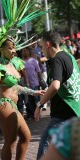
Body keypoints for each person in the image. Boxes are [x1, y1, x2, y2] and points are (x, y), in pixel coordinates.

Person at [0, 37, 45, 160]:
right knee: (11, 140)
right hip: (4, 104)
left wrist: (34, 92)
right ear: (1, 49)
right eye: (10, 48)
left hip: (13, 106)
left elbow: (16, 86)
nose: (13, 51)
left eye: (14, 47)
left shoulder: (13, 64)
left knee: (26, 136)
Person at [34, 30, 80, 160]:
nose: (41, 50)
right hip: (73, 114)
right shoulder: (67, 56)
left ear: (48, 44)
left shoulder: (57, 60)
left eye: (42, 46)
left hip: (62, 116)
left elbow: (55, 85)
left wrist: (40, 103)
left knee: (45, 152)